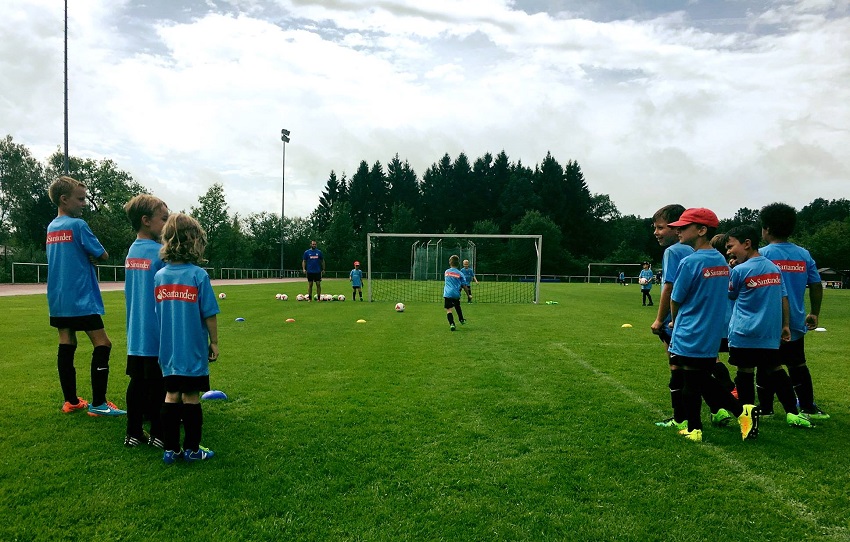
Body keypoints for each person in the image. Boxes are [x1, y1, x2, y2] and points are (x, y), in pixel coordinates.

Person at [667, 208, 757, 442]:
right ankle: (742, 412)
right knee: (701, 378)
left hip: (690, 329)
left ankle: (695, 429)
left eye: (683, 227)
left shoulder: (689, 261)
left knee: (691, 380)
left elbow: (676, 298)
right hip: (711, 329)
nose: (678, 230)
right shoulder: (720, 260)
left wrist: (674, 321)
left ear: (701, 230)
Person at [46, 175, 126, 417]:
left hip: (58, 299)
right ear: (64, 199)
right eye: (80, 199)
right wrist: (95, 256)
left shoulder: (52, 227)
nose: (84, 204)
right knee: (103, 344)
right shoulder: (78, 226)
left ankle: (71, 401)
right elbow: (102, 255)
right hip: (81, 297)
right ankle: (99, 404)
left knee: (67, 342)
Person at [724, 224, 811, 429]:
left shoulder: (739, 271)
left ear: (747, 244)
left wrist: (734, 268)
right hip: (769, 333)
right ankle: (793, 412)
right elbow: (784, 297)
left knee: (744, 372)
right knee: (776, 370)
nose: (728, 251)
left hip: (743, 332)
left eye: (730, 246)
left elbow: (731, 295)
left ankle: (748, 417)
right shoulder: (774, 268)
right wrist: (786, 325)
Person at [155, 213, 220, 464]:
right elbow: (209, 314)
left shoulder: (160, 276)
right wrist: (214, 342)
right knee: (191, 397)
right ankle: (192, 449)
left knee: (171, 395)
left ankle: (171, 450)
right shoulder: (198, 275)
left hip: (168, 350)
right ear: (193, 241)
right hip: (192, 350)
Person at [758, 203, 829, 420]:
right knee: (797, 363)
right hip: (796, 319)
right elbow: (816, 285)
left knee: (766, 363)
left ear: (767, 229)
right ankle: (808, 406)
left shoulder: (761, 254)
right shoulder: (803, 254)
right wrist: (814, 313)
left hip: (768, 320)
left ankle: (767, 408)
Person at [123, 194, 169, 447]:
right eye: (163, 219)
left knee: (137, 382)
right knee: (158, 384)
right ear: (146, 221)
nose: (167, 223)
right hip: (156, 331)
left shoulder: (132, 251)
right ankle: (159, 434)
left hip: (135, 331)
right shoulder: (159, 253)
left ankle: (133, 432)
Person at [650, 204, 693, 429]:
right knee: (703, 365)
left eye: (660, 227)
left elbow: (669, 286)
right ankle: (721, 407)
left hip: (677, 321)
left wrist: (659, 319)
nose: (656, 232)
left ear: (677, 228)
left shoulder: (673, 251)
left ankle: (680, 418)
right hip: (702, 320)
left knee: (677, 367)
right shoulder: (703, 251)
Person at [443, 254, 466, 331]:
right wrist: (468, 294)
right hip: (456, 293)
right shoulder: (460, 273)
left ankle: (452, 324)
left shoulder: (446, 272)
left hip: (447, 293)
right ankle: (461, 319)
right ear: (458, 263)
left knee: (449, 309)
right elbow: (464, 285)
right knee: (457, 306)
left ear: (450, 262)